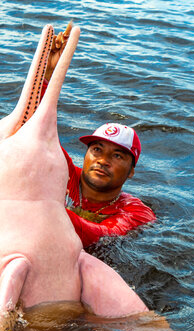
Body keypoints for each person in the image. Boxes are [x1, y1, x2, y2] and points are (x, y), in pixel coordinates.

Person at [42, 24, 155, 247]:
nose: (103, 160)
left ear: (132, 171)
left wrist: (45, 207)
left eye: (118, 156)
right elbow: (37, 131)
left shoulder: (137, 212)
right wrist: (47, 76)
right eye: (97, 150)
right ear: (85, 155)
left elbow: (102, 234)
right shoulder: (64, 175)